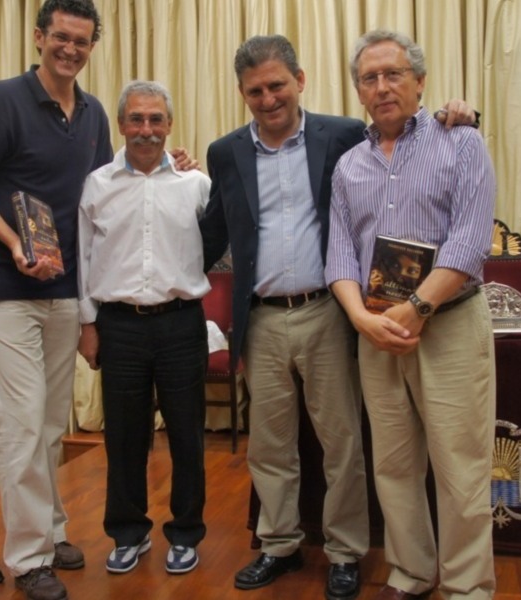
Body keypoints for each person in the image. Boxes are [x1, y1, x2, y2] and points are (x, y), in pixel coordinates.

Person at [199, 34, 478, 600]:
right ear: (242, 94)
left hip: (331, 311)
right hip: (269, 315)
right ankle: (278, 543)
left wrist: (465, 112)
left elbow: (416, 133)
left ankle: (347, 552)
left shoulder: (345, 136)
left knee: (343, 441)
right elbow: (212, 232)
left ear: (300, 81)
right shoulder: (226, 152)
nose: (269, 98)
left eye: (278, 84)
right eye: (256, 90)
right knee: (270, 444)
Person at [0, 2, 194, 599]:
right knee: (22, 424)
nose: (70, 49)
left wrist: (171, 163)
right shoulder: (1, 101)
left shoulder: (89, 116)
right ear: (40, 38)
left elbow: (105, 193)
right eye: (61, 37)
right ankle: (29, 556)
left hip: (65, 291)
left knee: (50, 421)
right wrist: (11, 242)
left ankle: (52, 528)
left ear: (91, 46)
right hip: (8, 291)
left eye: (82, 41)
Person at [325, 29, 496, 600]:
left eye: (393, 73)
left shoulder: (461, 142)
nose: (381, 87)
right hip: (378, 333)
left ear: (420, 81)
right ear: (358, 91)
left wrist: (420, 306)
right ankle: (412, 573)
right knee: (394, 465)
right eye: (369, 79)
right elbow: (340, 255)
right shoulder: (349, 165)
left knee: (461, 467)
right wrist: (362, 320)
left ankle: (468, 587)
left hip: (448, 324)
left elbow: (470, 242)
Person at [77, 80, 210, 576]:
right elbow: (83, 261)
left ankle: (186, 532)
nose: (146, 129)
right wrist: (87, 325)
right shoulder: (97, 186)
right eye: (137, 119)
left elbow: (219, 243)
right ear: (121, 124)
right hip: (120, 327)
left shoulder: (197, 184)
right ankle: (128, 532)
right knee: (125, 438)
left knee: (187, 436)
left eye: (156, 119)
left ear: (170, 124)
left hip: (181, 325)